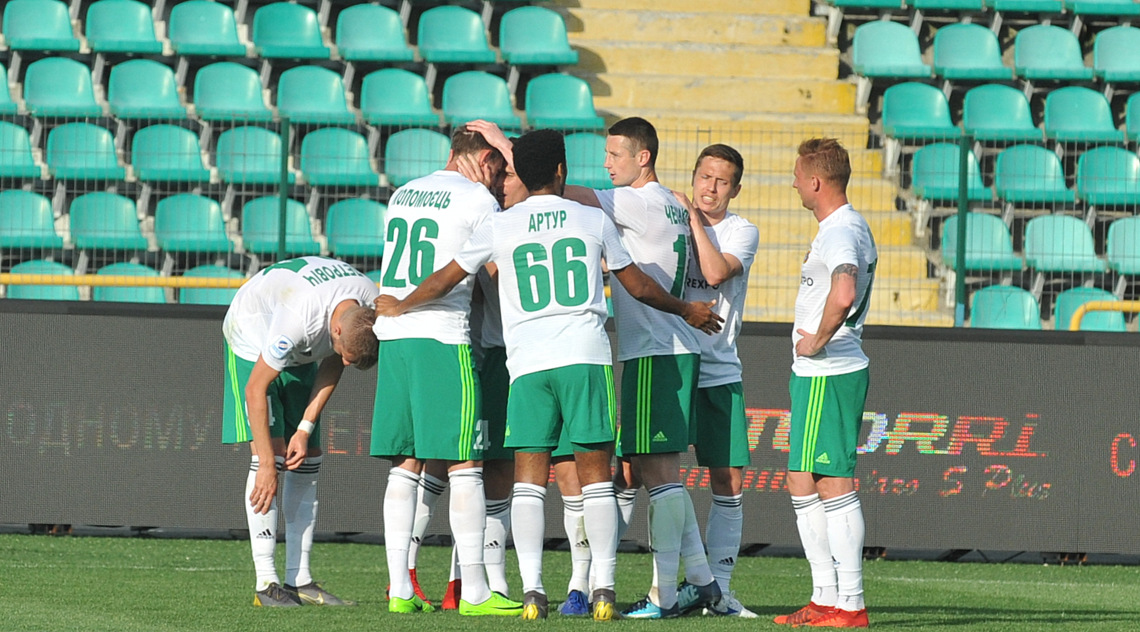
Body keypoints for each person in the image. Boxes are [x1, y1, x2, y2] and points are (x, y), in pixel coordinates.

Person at [374, 129, 723, 622]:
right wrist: (687, 309)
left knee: (528, 483)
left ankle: (533, 591)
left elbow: (447, 276)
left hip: (527, 365)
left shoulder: (501, 224)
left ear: (522, 173)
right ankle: (603, 588)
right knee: (595, 480)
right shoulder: (592, 219)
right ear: (561, 171)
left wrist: (402, 303)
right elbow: (640, 286)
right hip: (584, 358)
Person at [563, 117, 721, 619]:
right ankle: (703, 580)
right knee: (652, 471)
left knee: (659, 474)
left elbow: (558, 190)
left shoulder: (636, 201)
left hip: (655, 349)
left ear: (643, 157)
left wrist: (512, 152)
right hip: (667, 348)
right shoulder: (670, 201)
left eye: (615, 154)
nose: (607, 164)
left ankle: (664, 595)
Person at [370, 125, 521, 617]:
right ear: (484, 160)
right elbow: (488, 272)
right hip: (441, 335)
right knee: (466, 464)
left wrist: (400, 306)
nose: (498, 180)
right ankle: (475, 590)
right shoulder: (478, 200)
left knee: (405, 463)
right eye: (497, 169)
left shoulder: (403, 193)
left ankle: (400, 589)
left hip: (395, 337)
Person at [221, 255, 380, 607]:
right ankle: (266, 583)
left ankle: (300, 579)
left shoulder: (366, 307)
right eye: (346, 354)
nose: (346, 362)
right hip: (251, 336)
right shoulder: (298, 321)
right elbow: (254, 389)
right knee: (273, 456)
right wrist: (266, 465)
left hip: (300, 346)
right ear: (336, 331)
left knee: (308, 458)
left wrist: (305, 428)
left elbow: (335, 361)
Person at [774, 138, 876, 629]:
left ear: (815, 181)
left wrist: (816, 340)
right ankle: (825, 598)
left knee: (832, 482)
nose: (793, 183)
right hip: (824, 375)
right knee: (802, 479)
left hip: (828, 373)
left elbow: (845, 291)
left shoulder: (840, 231)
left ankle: (849, 604)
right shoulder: (847, 226)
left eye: (798, 176)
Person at [671, 144, 760, 618]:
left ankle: (718, 592)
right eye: (705, 177)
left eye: (722, 181)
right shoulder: (667, 220)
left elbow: (714, 271)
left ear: (735, 189)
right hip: (670, 365)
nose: (710, 187)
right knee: (632, 473)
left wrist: (692, 220)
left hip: (719, 369)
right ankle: (596, 583)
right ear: (694, 177)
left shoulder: (742, 231)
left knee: (728, 480)